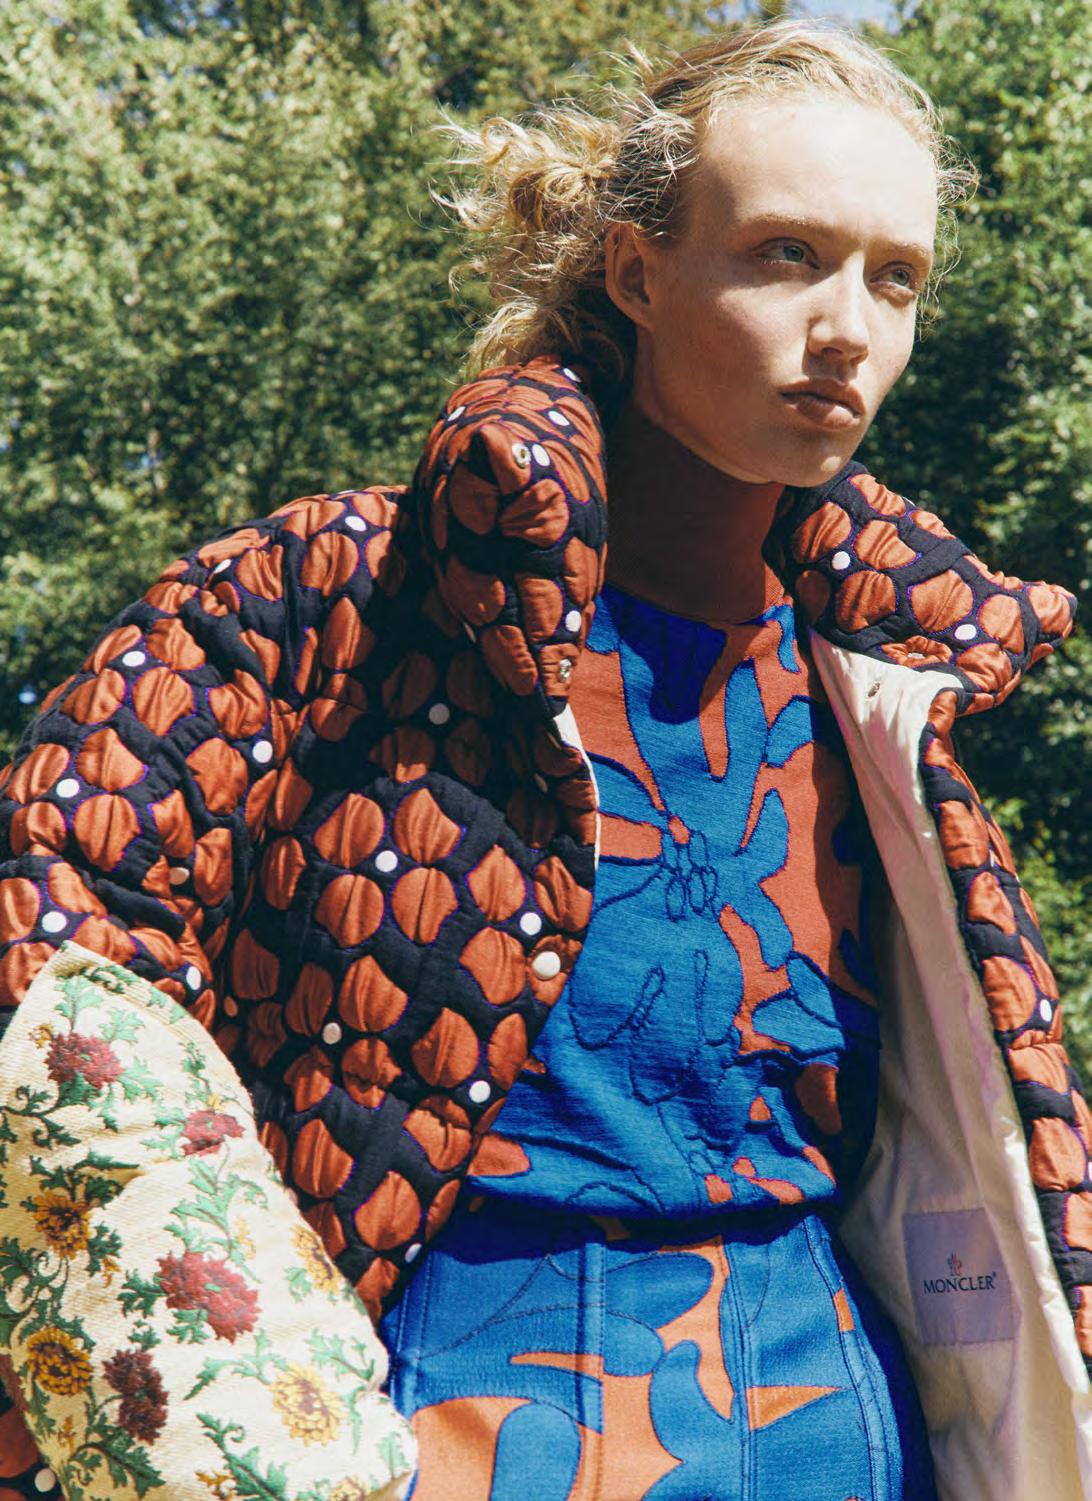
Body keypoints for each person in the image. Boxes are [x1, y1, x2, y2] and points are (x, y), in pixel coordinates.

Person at [0, 16, 1088, 1501]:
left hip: (831, 1424)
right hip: (430, 1419)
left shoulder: (892, 685)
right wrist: (215, 1363)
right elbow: (58, 906)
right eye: (785, 254)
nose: (847, 326)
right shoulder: (336, 592)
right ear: (636, 272)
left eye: (894, 278)